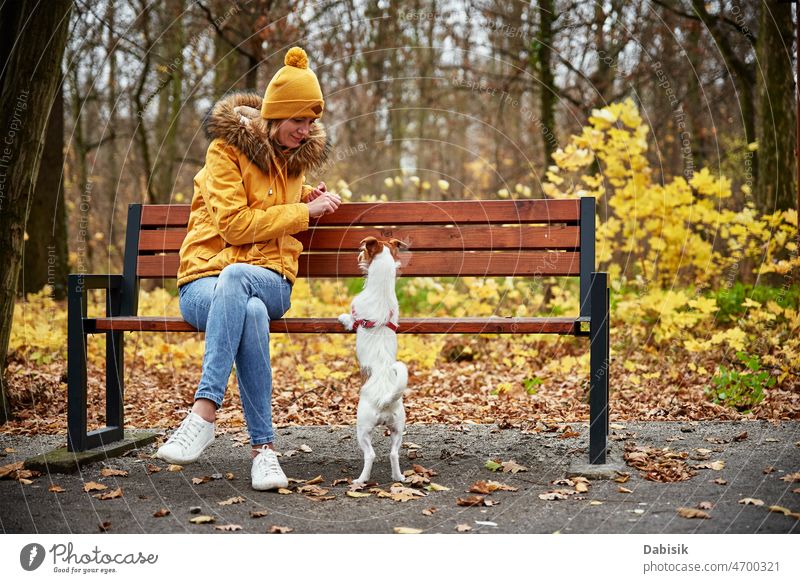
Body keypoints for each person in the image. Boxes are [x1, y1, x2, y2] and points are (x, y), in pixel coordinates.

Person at [156, 47, 341, 491]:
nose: (307, 129)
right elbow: (235, 226)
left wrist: (303, 201)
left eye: (313, 121)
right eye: (300, 120)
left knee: (240, 280)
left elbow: (270, 213)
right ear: (276, 116)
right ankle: (264, 451)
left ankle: (204, 412)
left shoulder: (295, 162)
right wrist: (302, 212)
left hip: (270, 280)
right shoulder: (225, 152)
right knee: (249, 312)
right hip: (202, 282)